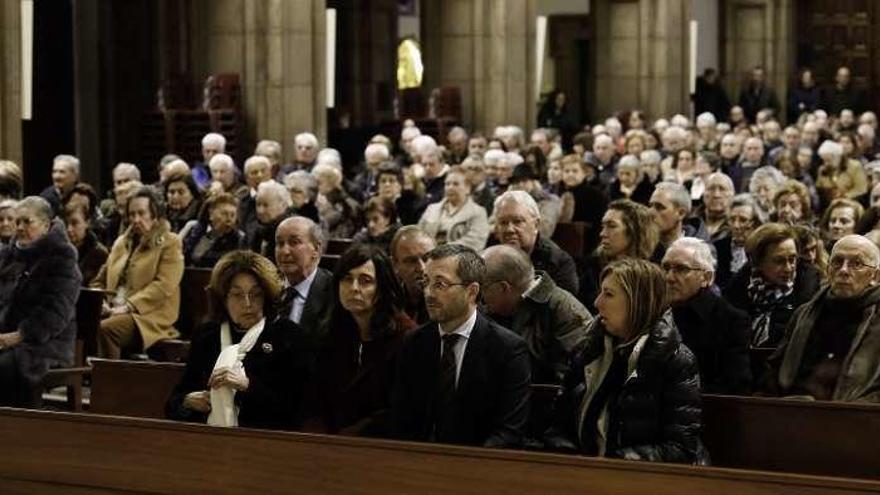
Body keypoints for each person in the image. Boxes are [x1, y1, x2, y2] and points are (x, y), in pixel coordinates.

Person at [544, 259, 705, 464]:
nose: (597, 303)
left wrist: (614, 463)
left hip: (642, 478)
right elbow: (559, 426)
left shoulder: (675, 360)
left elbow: (679, 448)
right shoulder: (587, 349)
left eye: (609, 294)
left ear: (639, 301)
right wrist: (570, 457)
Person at [390, 244, 531, 447]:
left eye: (440, 285)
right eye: (426, 282)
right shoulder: (413, 343)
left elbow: (509, 431)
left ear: (472, 292)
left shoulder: (507, 349)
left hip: (479, 466)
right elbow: (400, 419)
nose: (428, 293)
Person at [165, 251, 313, 429]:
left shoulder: (288, 336)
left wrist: (247, 386)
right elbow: (174, 401)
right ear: (222, 298)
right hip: (207, 441)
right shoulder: (207, 336)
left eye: (256, 294)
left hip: (267, 442)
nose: (247, 303)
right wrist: (188, 401)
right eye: (237, 295)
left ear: (267, 296)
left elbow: (297, 410)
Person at [304, 245, 416, 435]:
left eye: (365, 281)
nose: (354, 288)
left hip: (380, 447)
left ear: (382, 288)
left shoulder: (407, 338)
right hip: (327, 446)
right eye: (347, 279)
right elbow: (314, 399)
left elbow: (400, 410)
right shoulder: (330, 333)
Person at [764, 235, 880, 401]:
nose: (844, 270)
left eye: (857, 264)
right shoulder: (804, 313)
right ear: (828, 269)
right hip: (792, 410)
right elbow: (775, 369)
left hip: (853, 417)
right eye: (837, 262)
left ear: (875, 277)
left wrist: (851, 411)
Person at [0, 197, 81, 407]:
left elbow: (56, 312)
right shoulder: (10, 255)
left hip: (46, 343)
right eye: (17, 222)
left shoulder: (62, 258)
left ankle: (18, 429)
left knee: (5, 365)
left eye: (27, 222)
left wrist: (20, 335)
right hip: (6, 337)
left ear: (46, 225)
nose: (19, 228)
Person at [92, 186, 184, 359]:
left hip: (148, 316)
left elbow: (163, 286)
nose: (136, 219)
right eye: (132, 214)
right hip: (114, 309)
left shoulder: (170, 242)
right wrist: (100, 301)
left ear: (155, 214)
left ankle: (111, 382)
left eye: (142, 213)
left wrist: (128, 306)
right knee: (83, 322)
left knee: (107, 329)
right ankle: (87, 378)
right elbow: (100, 279)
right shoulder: (121, 242)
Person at [481, 245, 591, 384]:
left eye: (483, 287)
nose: (480, 297)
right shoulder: (492, 309)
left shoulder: (565, 311)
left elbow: (568, 380)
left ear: (504, 288)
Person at [662, 238, 752, 394]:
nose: (669, 277)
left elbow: (735, 384)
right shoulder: (655, 311)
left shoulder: (730, 320)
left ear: (706, 277)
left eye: (681, 269)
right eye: (666, 267)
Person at [723, 223, 821, 348]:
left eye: (792, 259)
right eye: (779, 261)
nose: (788, 268)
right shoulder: (741, 283)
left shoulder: (807, 286)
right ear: (758, 262)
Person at [492, 191, 579, 295]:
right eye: (503, 223)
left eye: (517, 221)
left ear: (536, 225)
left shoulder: (559, 263)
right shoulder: (489, 258)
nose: (509, 229)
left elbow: (564, 307)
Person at [275, 216, 333, 337]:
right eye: (280, 243)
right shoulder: (268, 287)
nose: (285, 251)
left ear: (316, 249)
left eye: (294, 242)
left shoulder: (333, 291)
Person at [418, 168, 489, 251]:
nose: (450, 187)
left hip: (461, 260)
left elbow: (475, 242)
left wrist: (442, 249)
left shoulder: (478, 212)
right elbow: (419, 234)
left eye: (456, 184)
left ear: (467, 188)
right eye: (447, 184)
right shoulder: (431, 208)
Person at [181, 192, 246, 268]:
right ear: (211, 214)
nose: (229, 219)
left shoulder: (239, 238)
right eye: (224, 214)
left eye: (232, 215)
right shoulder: (194, 230)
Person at [390, 226, 435, 325]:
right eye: (411, 261)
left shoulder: (454, 304)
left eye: (427, 258)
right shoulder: (388, 306)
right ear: (395, 265)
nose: (422, 268)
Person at [714, 194, 761, 289]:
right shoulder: (718, 247)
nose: (736, 226)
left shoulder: (763, 250)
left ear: (756, 223)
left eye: (743, 220)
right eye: (732, 219)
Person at [63, 202, 109, 285]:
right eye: (66, 224)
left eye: (74, 223)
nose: (69, 229)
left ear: (87, 222)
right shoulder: (59, 252)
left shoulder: (99, 254)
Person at [313, 163, 361, 239]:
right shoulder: (319, 199)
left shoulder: (343, 205)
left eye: (319, 183)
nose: (315, 187)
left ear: (331, 183)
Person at [250, 181, 293, 263]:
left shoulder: (291, 230)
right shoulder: (259, 230)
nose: (260, 211)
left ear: (283, 205)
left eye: (266, 205)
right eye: (258, 204)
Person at [239, 155, 275, 243]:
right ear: (247, 178)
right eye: (254, 172)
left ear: (270, 173)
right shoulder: (241, 200)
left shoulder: (281, 196)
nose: (260, 175)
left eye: (263, 171)